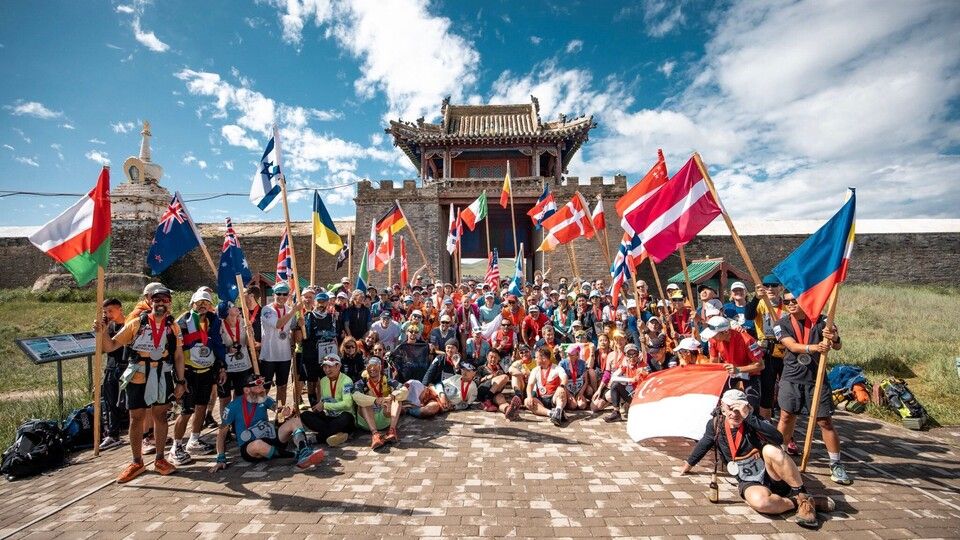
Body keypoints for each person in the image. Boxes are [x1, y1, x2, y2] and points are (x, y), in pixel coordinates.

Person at [681, 389, 835, 528]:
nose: (735, 413)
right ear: (722, 407)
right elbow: (704, 443)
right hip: (748, 479)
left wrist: (748, 416)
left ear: (746, 407)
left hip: (771, 474)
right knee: (762, 504)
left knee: (771, 450)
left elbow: (778, 438)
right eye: (730, 408)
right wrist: (689, 464)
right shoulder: (715, 424)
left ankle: (803, 496)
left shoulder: (753, 420)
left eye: (738, 408)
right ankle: (801, 502)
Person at [97, 286, 185, 483]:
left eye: (165, 300)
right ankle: (137, 462)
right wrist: (102, 332)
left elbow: (178, 356)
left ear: (170, 303)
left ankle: (160, 459)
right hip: (138, 374)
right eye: (157, 300)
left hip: (162, 374)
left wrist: (181, 381)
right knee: (136, 418)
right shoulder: (136, 323)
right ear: (150, 302)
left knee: (160, 416)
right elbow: (110, 346)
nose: (161, 303)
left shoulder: (173, 327)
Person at [774, 291, 850, 485]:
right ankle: (779, 457)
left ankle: (836, 464)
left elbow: (838, 346)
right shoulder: (781, 324)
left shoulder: (823, 320)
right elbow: (791, 346)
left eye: (794, 300)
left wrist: (834, 337)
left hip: (816, 379)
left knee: (825, 421)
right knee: (786, 416)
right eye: (787, 301)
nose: (790, 304)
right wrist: (814, 348)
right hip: (791, 378)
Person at [210, 373, 326, 472]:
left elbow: (278, 409)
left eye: (262, 386)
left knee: (295, 421)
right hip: (250, 446)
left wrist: (284, 411)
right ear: (246, 390)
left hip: (271, 437)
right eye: (258, 387)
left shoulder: (264, 398)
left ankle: (304, 450)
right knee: (258, 445)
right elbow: (221, 434)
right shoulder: (232, 407)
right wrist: (221, 458)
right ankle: (296, 456)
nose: (263, 389)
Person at [170, 290, 226, 466]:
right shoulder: (183, 321)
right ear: (192, 303)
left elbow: (217, 344)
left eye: (206, 302)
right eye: (199, 302)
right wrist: (179, 378)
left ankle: (194, 439)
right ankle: (176, 446)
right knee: (186, 410)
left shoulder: (213, 321)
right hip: (188, 372)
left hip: (206, 371)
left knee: (202, 406)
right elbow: (174, 349)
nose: (203, 305)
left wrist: (222, 367)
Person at [701, 316, 765, 407]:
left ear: (725, 331)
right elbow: (714, 362)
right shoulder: (713, 339)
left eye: (714, 334)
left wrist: (738, 369)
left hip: (750, 373)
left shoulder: (747, 339)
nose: (712, 337)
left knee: (751, 405)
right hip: (730, 372)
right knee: (719, 400)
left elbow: (761, 365)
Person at [298, 354, 353, 447]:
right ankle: (337, 434)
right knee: (305, 415)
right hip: (330, 418)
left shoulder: (346, 381)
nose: (327, 370)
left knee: (346, 417)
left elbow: (347, 404)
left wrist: (324, 405)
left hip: (344, 418)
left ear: (338, 366)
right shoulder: (323, 380)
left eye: (330, 366)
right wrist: (318, 406)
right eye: (325, 367)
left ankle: (319, 438)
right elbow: (323, 400)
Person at [352, 356, 406, 449]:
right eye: (369, 366)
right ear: (366, 368)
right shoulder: (361, 382)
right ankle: (375, 435)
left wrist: (392, 395)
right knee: (364, 402)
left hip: (384, 417)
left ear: (380, 367)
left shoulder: (388, 380)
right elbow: (355, 395)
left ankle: (391, 431)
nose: (372, 369)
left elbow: (404, 389)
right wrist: (374, 400)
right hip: (366, 421)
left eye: (375, 366)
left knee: (397, 400)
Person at [260, 282, 299, 408]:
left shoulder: (289, 310)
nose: (282, 296)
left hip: (284, 355)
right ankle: (261, 415)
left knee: (282, 387)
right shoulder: (267, 309)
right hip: (269, 355)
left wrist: (300, 323)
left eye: (285, 294)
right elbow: (277, 324)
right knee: (264, 388)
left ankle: (280, 415)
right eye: (279, 294)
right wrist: (293, 311)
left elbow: (293, 328)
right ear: (274, 294)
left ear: (288, 295)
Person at [753, 275, 787, 420]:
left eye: (774, 285)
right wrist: (756, 297)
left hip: (786, 350)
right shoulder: (761, 303)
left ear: (781, 287)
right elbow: (749, 314)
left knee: (787, 390)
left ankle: (787, 430)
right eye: (767, 286)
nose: (770, 288)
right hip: (767, 349)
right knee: (767, 389)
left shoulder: (788, 304)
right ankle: (765, 428)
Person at [99, 298, 129, 451]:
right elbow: (103, 349)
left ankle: (143, 433)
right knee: (111, 402)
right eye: (105, 312)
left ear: (120, 309)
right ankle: (113, 434)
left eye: (110, 311)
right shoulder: (108, 327)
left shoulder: (129, 325)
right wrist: (101, 332)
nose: (108, 314)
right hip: (111, 368)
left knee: (130, 402)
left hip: (126, 367)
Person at [216, 300, 254, 420]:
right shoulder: (219, 325)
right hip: (225, 367)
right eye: (232, 306)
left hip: (243, 365)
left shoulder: (243, 321)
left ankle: (237, 422)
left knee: (240, 396)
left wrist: (250, 332)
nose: (237, 307)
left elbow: (249, 344)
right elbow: (216, 345)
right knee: (225, 398)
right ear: (226, 312)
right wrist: (227, 349)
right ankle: (225, 425)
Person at [299, 290, 338, 407]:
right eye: (319, 301)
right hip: (311, 354)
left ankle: (323, 404)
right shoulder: (309, 316)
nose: (322, 304)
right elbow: (306, 335)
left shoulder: (331, 317)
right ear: (315, 302)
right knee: (311, 381)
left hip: (325, 355)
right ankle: (312, 404)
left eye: (324, 302)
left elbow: (333, 334)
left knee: (325, 380)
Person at [524, 347, 569, 426]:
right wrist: (529, 396)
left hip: (554, 398)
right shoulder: (535, 370)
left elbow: (565, 378)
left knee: (562, 391)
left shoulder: (557, 368)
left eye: (536, 357)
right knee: (527, 401)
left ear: (544, 358)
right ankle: (553, 414)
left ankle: (558, 409)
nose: (535, 359)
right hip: (542, 399)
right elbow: (530, 385)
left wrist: (561, 386)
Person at [603, 344, 648, 422]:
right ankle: (616, 412)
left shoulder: (642, 365)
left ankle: (629, 407)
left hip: (641, 396)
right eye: (629, 355)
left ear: (638, 355)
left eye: (634, 355)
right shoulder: (625, 366)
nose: (632, 358)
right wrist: (630, 380)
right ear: (626, 356)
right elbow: (613, 377)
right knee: (615, 385)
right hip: (631, 394)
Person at [476, 350, 520, 419]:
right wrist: (488, 377)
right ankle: (487, 399)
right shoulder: (481, 368)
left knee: (501, 400)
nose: (493, 359)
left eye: (495, 357)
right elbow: (476, 381)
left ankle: (508, 410)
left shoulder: (500, 369)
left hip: (495, 393)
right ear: (487, 357)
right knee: (505, 377)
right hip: (483, 390)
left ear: (498, 359)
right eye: (491, 357)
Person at [559, 345, 593, 411]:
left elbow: (586, 381)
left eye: (571, 355)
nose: (569, 356)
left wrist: (581, 393)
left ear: (577, 355)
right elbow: (561, 382)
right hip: (568, 389)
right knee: (573, 406)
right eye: (568, 354)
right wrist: (568, 395)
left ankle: (583, 398)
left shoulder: (582, 363)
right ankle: (568, 401)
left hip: (579, 388)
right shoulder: (562, 363)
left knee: (582, 406)